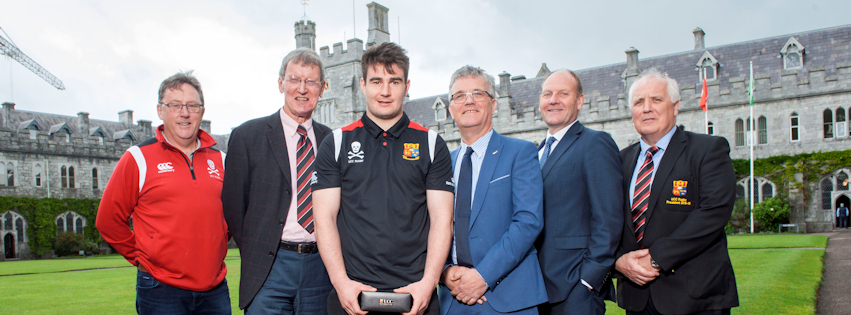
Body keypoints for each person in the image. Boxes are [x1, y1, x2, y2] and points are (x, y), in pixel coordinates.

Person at [312, 42, 455, 315]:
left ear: (407, 85)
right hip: (353, 295)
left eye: (394, 81)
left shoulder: (431, 143)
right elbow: (324, 219)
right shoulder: (338, 142)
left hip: (415, 295)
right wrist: (341, 284)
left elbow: (442, 220)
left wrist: (427, 284)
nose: (386, 91)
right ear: (364, 84)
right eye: (377, 81)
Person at [96, 71, 231, 314]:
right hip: (160, 289)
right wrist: (142, 258)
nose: (184, 113)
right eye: (175, 105)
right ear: (160, 111)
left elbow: (233, 217)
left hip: (214, 288)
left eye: (192, 105)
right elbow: (108, 220)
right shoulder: (137, 158)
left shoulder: (222, 160)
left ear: (202, 110)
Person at [614, 68, 739, 315]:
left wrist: (655, 258)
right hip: (637, 299)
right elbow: (608, 220)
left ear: (676, 106)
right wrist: (618, 261)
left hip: (695, 297)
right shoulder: (619, 161)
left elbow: (713, 213)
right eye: (639, 102)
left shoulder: (708, 149)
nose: (646, 108)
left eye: (656, 99)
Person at [221, 47, 333, 314]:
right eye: (294, 79)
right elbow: (234, 207)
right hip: (268, 268)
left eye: (311, 81)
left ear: (323, 88)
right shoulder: (248, 136)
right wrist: (259, 248)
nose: (302, 89)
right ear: (281, 83)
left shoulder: (332, 141)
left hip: (321, 267)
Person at [438, 65, 548, 315]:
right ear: (451, 109)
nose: (469, 101)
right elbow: (430, 224)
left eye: (478, 93)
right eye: (459, 96)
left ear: (494, 104)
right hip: (453, 299)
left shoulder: (520, 153)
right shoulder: (442, 164)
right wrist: (444, 271)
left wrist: (483, 276)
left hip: (507, 299)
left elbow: (528, 221)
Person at [534, 70, 623, 315]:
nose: (554, 100)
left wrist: (589, 280)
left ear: (580, 101)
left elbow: (609, 218)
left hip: (575, 289)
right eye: (547, 94)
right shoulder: (536, 153)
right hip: (535, 289)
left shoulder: (595, 143)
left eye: (564, 93)